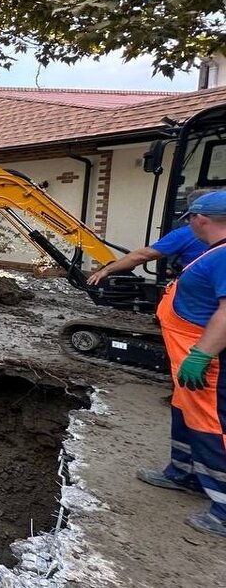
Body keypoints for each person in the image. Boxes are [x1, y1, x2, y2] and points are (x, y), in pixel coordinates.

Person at [137, 190, 226, 538]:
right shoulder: (214, 252)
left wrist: (203, 354)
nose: (189, 224)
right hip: (187, 359)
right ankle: (183, 472)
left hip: (207, 363)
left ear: (201, 219)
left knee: (210, 427)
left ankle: (223, 510)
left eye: (190, 218)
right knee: (185, 416)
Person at [88, 189, 214, 285]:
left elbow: (142, 256)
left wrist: (106, 270)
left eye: (191, 217)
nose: (189, 221)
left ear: (199, 216)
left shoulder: (186, 234)